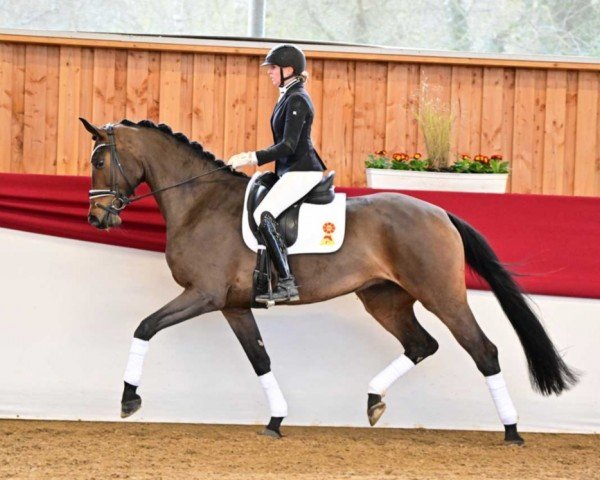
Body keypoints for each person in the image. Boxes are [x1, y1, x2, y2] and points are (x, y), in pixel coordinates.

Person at [227, 44, 326, 304]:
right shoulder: (287, 95)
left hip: (303, 171)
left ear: (288, 70)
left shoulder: (297, 98)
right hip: (290, 170)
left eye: (273, 68)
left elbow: (288, 146)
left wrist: (253, 157)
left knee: (263, 214)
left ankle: (286, 282)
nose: (269, 73)